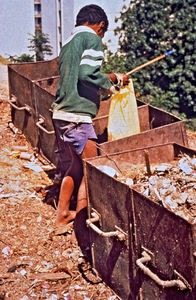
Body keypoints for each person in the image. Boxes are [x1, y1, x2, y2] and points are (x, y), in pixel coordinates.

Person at [51, 4, 129, 244]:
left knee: (75, 167)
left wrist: (107, 88)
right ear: (100, 26)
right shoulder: (93, 40)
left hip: (62, 114)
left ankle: (63, 214)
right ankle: (82, 230)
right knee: (91, 169)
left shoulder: (67, 45)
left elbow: (79, 80)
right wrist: (113, 78)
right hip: (77, 117)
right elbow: (88, 73)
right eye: (103, 32)